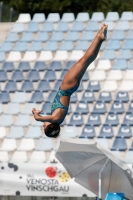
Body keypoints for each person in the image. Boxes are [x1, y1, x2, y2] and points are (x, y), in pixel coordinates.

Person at [32, 24, 108, 138]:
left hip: (71, 88)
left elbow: (48, 118)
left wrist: (38, 114)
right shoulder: (56, 119)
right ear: (50, 127)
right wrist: (37, 116)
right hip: (67, 88)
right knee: (84, 60)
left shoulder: (58, 119)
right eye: (44, 128)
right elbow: (41, 118)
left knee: (87, 61)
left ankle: (100, 39)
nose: (43, 126)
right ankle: (98, 37)